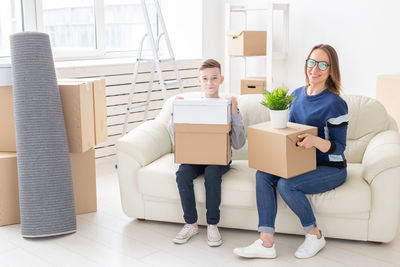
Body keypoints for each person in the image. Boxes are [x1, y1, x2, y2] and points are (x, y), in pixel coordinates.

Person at [233, 44, 348, 259]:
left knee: (287, 184)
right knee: (263, 174)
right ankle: (266, 243)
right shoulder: (295, 95)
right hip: (302, 162)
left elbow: (339, 147)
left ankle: (315, 235)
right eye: (311, 62)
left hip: (330, 166)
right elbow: (290, 132)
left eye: (323, 64)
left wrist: (314, 140)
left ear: (331, 70)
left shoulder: (336, 104)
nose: (315, 68)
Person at [168, 59, 246, 246]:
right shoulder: (190, 105)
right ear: (199, 81)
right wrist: (175, 113)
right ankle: (191, 223)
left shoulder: (228, 105)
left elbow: (238, 143)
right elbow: (176, 139)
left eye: (214, 78)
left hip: (219, 159)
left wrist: (234, 113)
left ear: (221, 79)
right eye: (205, 79)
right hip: (194, 157)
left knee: (212, 172)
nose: (209, 83)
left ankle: (212, 224)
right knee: (182, 174)